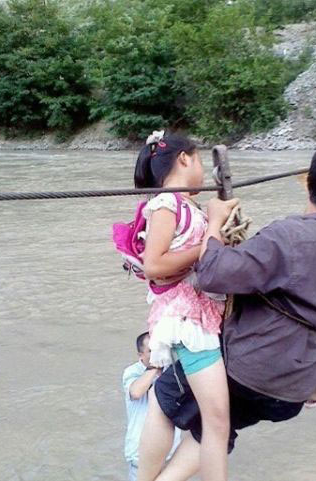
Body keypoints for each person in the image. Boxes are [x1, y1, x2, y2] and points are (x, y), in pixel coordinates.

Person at [141, 143, 316, 480]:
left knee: (164, 395)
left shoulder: (288, 236)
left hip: (251, 373)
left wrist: (214, 225)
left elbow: (212, 274)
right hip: (293, 389)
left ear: (308, 182)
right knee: (213, 430)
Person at [133, 133, 231, 481]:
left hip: (194, 316)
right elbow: (154, 266)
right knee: (218, 422)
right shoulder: (166, 203)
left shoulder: (183, 204)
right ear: (185, 159)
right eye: (200, 159)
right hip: (186, 320)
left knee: (213, 421)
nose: (203, 168)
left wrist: (214, 229)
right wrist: (213, 233)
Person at [123, 332, 181, 481]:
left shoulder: (173, 371)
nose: (156, 353)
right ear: (140, 355)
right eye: (151, 351)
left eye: (159, 349)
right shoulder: (132, 372)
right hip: (140, 458)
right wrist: (155, 367)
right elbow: (136, 392)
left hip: (171, 457)